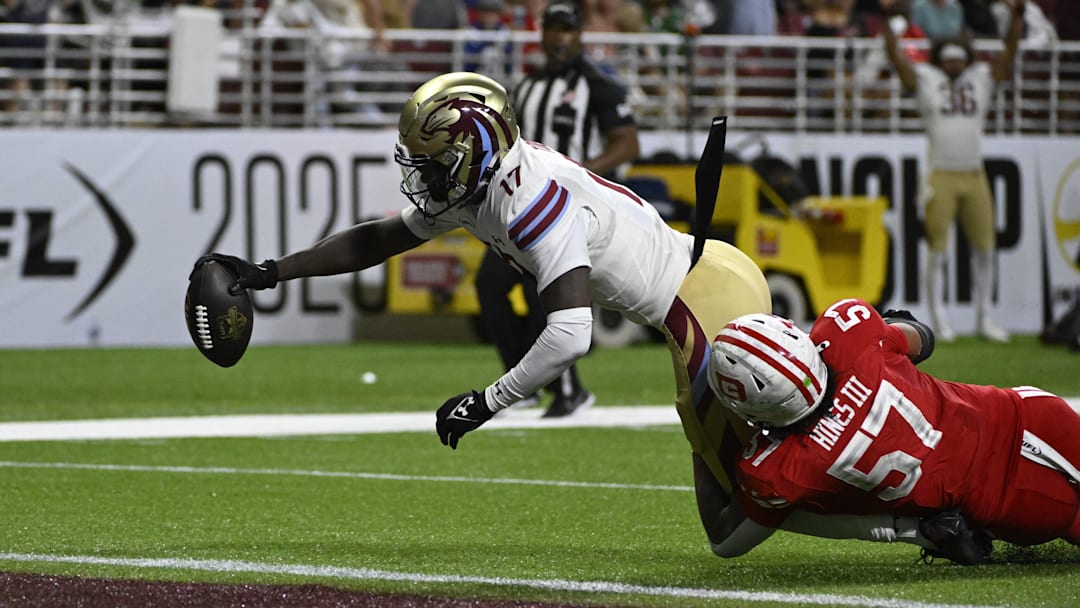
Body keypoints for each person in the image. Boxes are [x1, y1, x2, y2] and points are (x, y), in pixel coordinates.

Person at [702, 300, 1080, 562]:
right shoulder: (850, 334)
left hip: (1008, 507)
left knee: (784, 506)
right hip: (1034, 417)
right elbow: (922, 338)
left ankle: (918, 530)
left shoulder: (782, 470)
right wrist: (891, 327)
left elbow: (725, 541)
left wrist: (700, 433)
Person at [472, 0, 641, 418]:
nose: (560, 38)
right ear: (542, 33)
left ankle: (568, 391)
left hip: (566, 208)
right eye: (553, 29)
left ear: (579, 34)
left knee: (541, 291)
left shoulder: (598, 85)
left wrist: (579, 172)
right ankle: (521, 382)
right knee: (489, 284)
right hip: (521, 206)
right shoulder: (525, 87)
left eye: (567, 30)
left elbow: (627, 143)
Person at [883, 0, 1024, 342]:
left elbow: (1008, 54)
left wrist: (1017, 18)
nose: (954, 63)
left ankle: (984, 318)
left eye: (958, 57)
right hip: (940, 175)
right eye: (948, 58)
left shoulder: (980, 78)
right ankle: (939, 319)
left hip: (974, 173)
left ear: (967, 57)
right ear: (938, 59)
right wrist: (889, 25)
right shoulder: (928, 79)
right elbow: (899, 61)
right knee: (937, 250)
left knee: (986, 247)